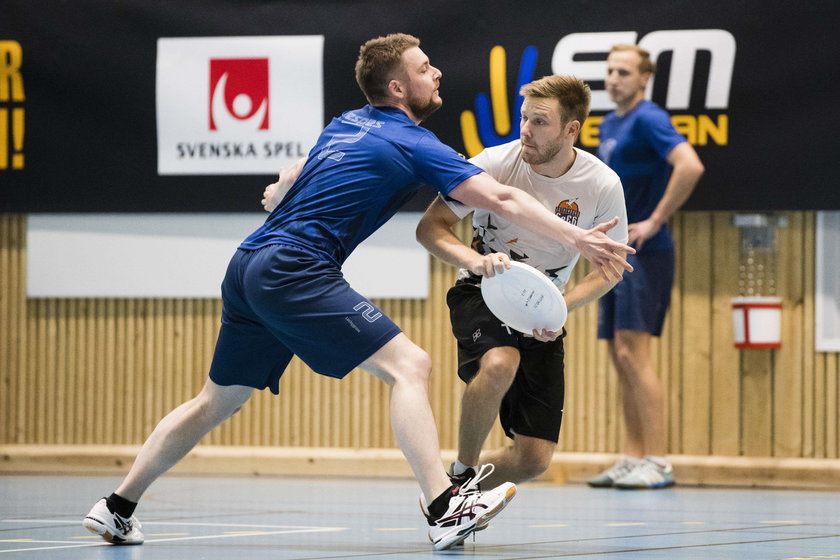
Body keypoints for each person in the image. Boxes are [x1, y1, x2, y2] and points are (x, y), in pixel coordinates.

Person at [81, 34, 635, 551]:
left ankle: (116, 505)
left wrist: (281, 185)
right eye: (424, 68)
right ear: (398, 88)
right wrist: (578, 237)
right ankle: (445, 507)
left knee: (216, 400)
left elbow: (296, 170)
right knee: (410, 367)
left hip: (249, 264)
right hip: (298, 269)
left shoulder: (349, 122)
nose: (436, 71)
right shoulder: (413, 140)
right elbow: (505, 202)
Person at [414, 75, 628, 491]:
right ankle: (461, 470)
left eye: (540, 122)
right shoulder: (494, 164)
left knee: (532, 460)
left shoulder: (602, 184)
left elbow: (610, 268)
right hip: (483, 288)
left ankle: (450, 490)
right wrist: (475, 261)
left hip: (542, 306)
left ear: (571, 129)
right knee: (499, 363)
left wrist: (562, 307)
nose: (525, 130)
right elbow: (431, 229)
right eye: (523, 118)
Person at [588, 44, 704, 490]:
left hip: (646, 254)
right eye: (610, 71)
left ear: (643, 79)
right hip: (615, 254)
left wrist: (655, 220)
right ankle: (632, 457)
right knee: (619, 356)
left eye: (623, 72)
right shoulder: (613, 122)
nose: (614, 78)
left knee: (635, 355)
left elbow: (689, 165)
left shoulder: (649, 117)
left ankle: (657, 460)